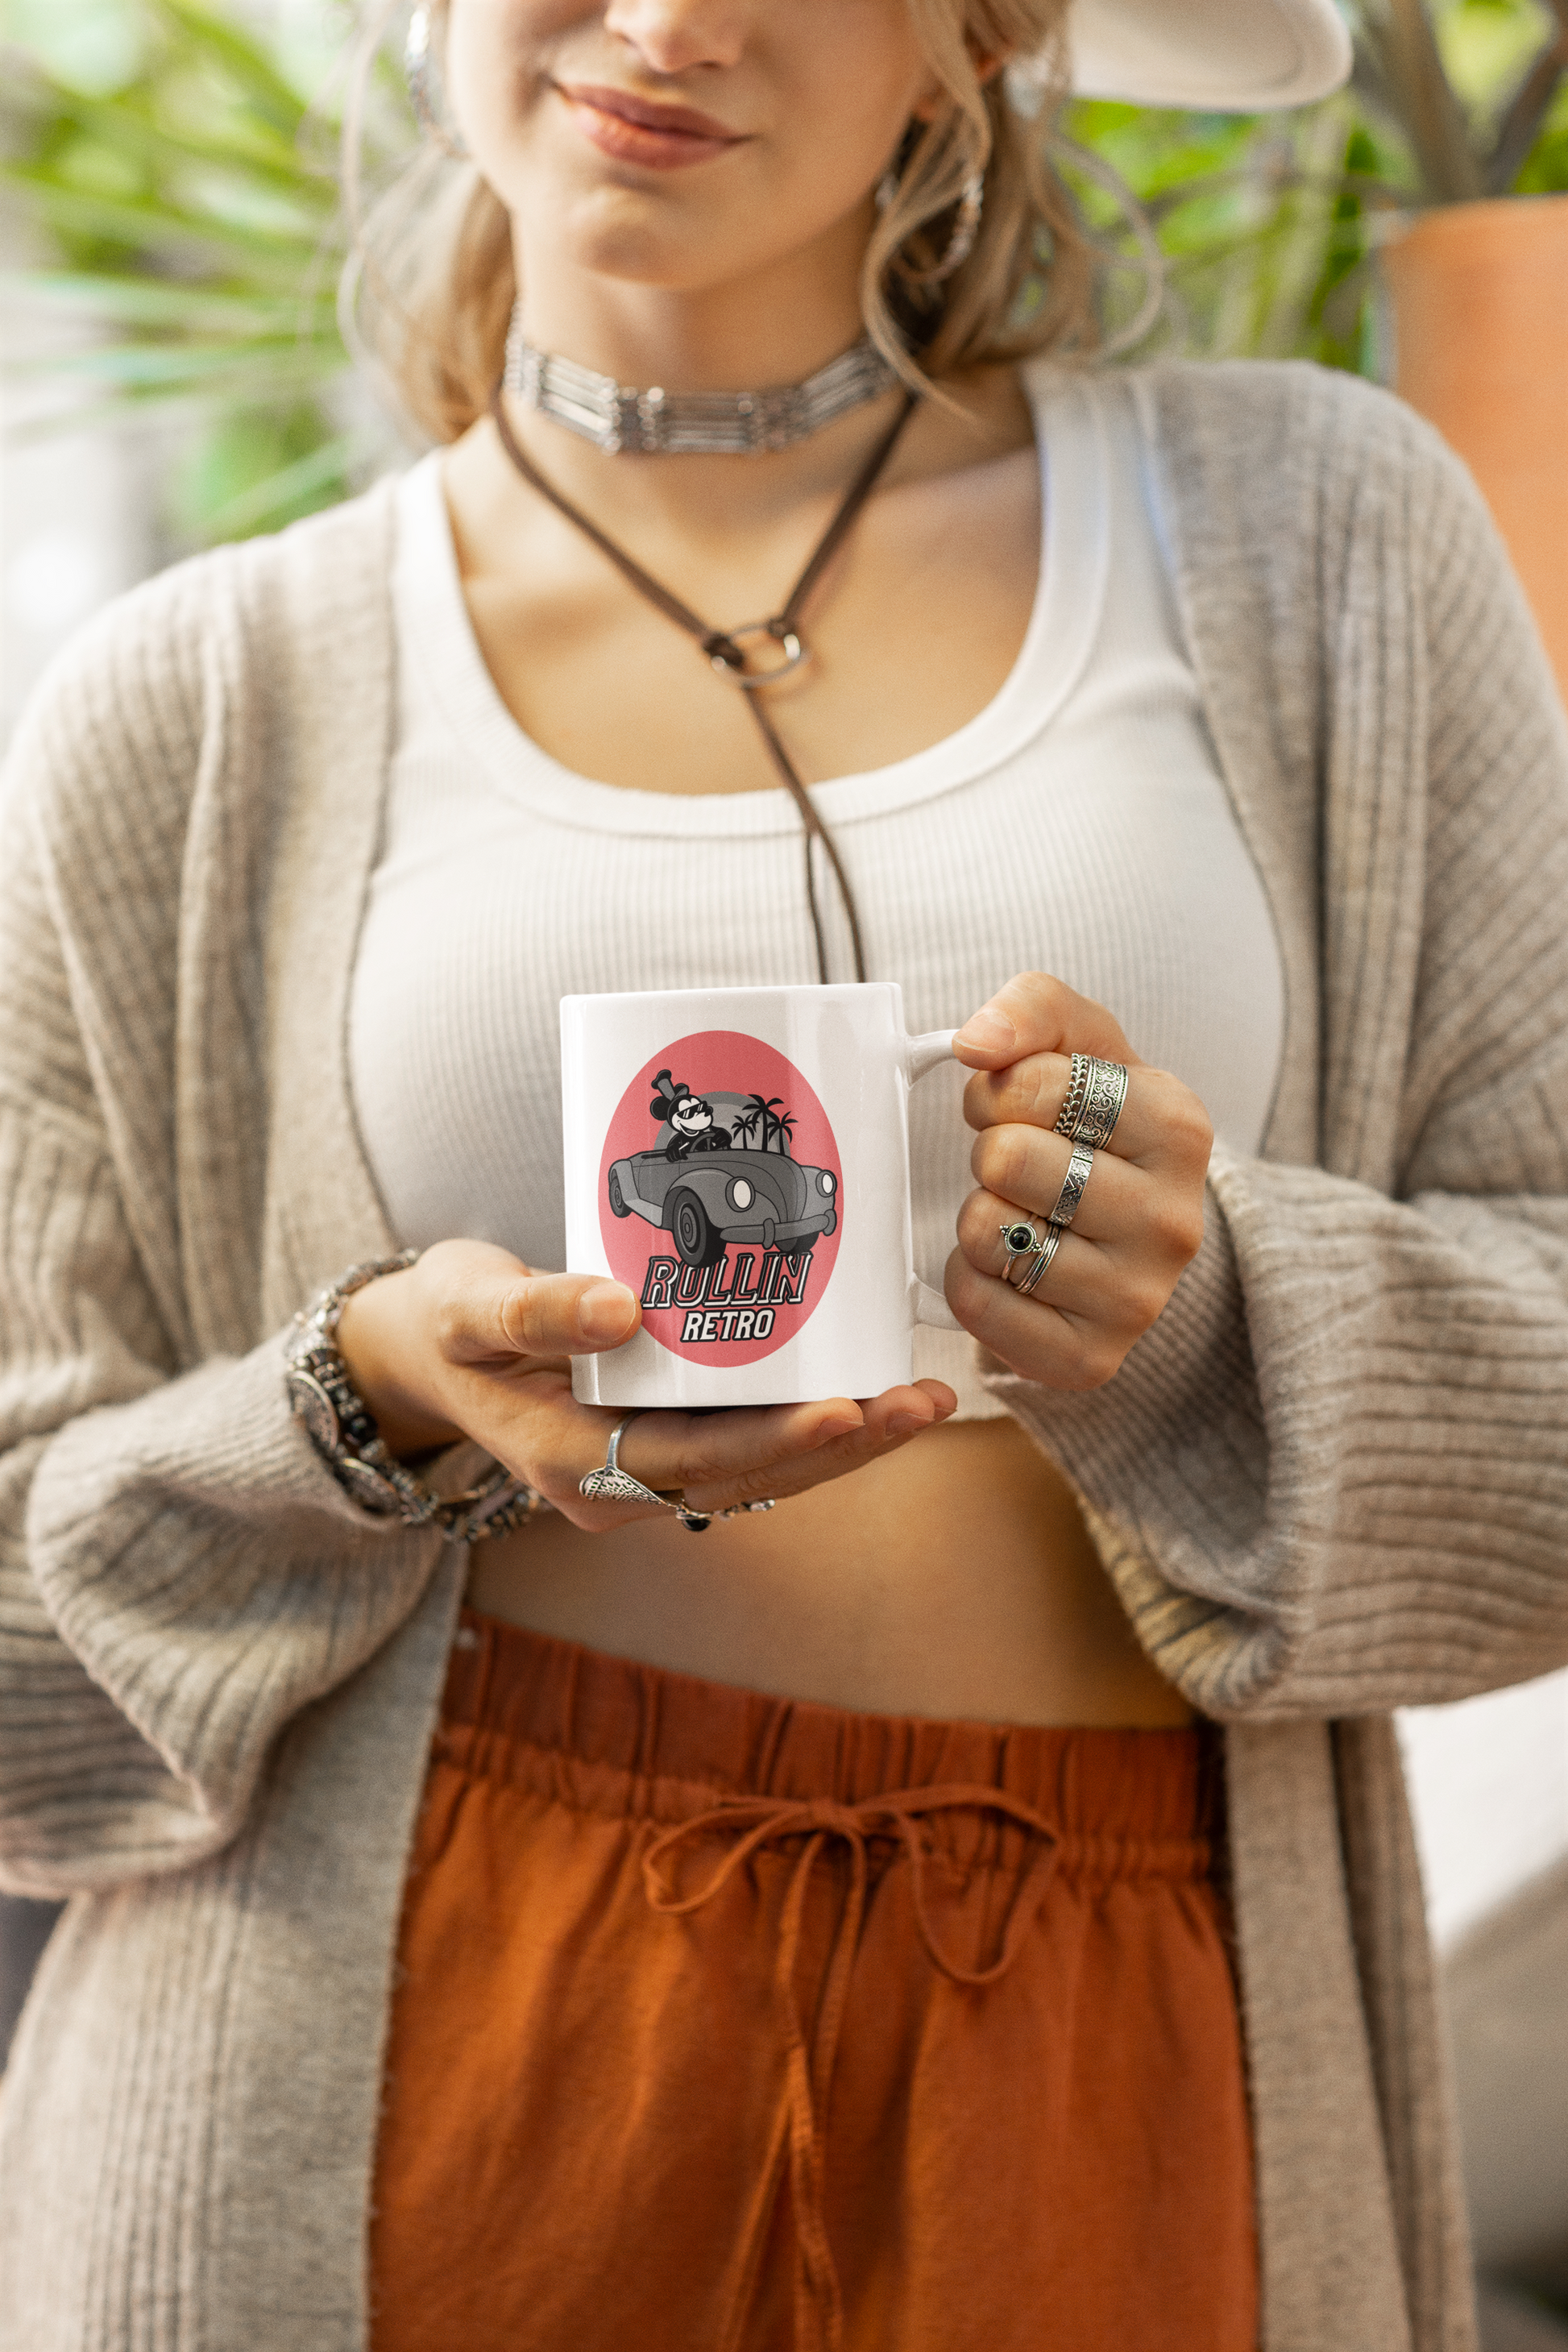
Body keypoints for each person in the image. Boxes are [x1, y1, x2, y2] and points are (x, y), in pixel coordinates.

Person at [2, 0, 1566, 2346]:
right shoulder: (194, 708)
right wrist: (361, 1406)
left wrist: (1216, 1311)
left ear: (986, 33)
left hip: (1126, 2045)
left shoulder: (1317, 538)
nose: (671, 19)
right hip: (402, 2068)